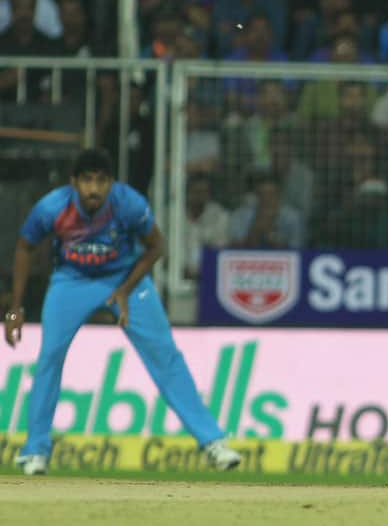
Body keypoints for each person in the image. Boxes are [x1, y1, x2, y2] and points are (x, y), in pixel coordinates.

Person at [3, 149, 241, 475]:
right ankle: (35, 452)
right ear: (74, 183)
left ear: (111, 183)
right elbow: (25, 247)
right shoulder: (53, 207)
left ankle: (213, 442)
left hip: (124, 279)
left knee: (165, 356)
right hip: (72, 281)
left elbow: (157, 246)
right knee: (49, 359)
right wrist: (15, 308)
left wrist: (126, 290)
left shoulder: (128, 203)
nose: (94, 190)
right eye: (87, 181)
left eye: (101, 181)